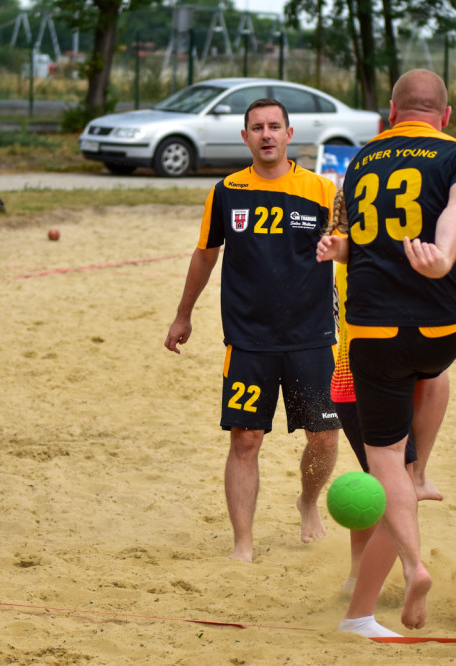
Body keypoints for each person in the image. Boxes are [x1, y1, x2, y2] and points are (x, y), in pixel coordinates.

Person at [317, 69, 456, 632]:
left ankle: (408, 566)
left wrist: (450, 243)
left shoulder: (361, 161)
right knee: (432, 372)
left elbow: (381, 232)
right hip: (444, 328)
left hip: (371, 338)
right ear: (446, 115)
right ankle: (417, 478)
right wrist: (448, 252)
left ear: (390, 114)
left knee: (386, 466)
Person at [164, 98, 341, 563]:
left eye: (274, 126)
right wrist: (183, 314)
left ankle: (308, 501)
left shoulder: (322, 190)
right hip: (248, 339)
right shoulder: (226, 191)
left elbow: (350, 249)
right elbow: (205, 254)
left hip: (312, 336)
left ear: (289, 134)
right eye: (257, 127)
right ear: (245, 137)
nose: (266, 134)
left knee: (324, 437)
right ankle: (242, 542)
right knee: (245, 440)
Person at [330, 184, 456, 637]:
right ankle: (360, 615)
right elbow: (403, 250)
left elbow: (392, 245)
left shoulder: (362, 255)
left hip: (359, 381)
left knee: (379, 485)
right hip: (364, 381)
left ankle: (355, 576)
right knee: (398, 494)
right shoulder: (368, 260)